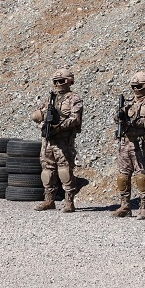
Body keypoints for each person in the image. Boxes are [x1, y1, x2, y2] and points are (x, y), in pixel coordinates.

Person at [30, 67, 83, 212]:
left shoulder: (74, 98)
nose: (58, 84)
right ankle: (49, 200)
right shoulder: (50, 98)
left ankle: (69, 202)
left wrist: (58, 127)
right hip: (48, 140)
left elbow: (74, 119)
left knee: (65, 170)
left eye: (61, 81)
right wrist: (42, 122)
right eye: (56, 81)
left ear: (69, 81)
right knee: (47, 170)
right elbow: (40, 113)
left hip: (64, 140)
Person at [111, 71, 145, 220]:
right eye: (133, 86)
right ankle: (125, 206)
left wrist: (131, 122)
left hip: (140, 142)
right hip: (126, 142)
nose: (135, 89)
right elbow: (117, 118)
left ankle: (144, 208)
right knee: (123, 176)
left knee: (141, 176)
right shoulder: (131, 102)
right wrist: (120, 116)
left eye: (138, 86)